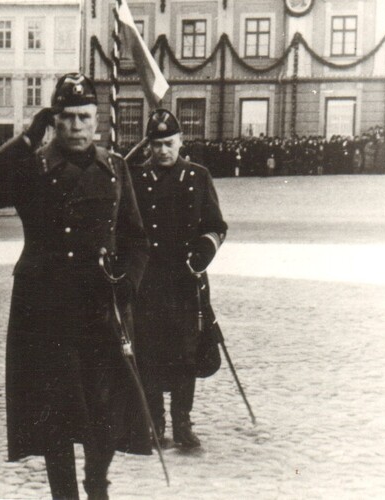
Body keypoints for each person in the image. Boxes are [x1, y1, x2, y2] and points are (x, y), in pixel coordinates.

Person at [0, 73, 149, 500]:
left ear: (97, 119)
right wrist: (29, 136)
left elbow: (137, 239)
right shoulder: (33, 167)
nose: (76, 126)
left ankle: (97, 483)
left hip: (102, 305)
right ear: (55, 119)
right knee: (56, 411)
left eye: (85, 117)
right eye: (66, 117)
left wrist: (127, 283)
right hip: (46, 308)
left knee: (105, 405)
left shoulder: (115, 168)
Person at [129, 109, 227, 449]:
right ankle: (154, 422)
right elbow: (125, 227)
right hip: (149, 283)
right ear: (148, 146)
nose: (162, 151)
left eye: (169, 143)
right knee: (149, 353)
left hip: (186, 280)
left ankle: (182, 422)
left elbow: (216, 225)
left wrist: (204, 249)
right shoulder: (136, 178)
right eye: (155, 145)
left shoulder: (198, 176)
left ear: (181, 141)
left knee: (186, 353)